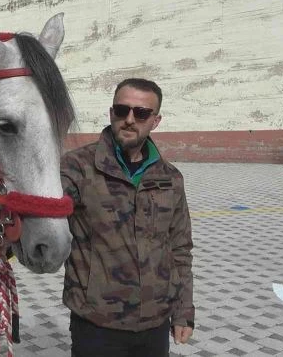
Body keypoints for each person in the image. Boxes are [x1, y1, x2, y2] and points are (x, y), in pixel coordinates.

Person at [60, 78, 194, 357]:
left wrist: (183, 312)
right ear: (111, 114)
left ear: (155, 121)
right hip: (97, 324)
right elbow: (39, 217)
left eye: (142, 113)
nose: (130, 119)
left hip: (154, 324)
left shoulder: (169, 178)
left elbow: (179, 248)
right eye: (122, 110)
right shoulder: (76, 168)